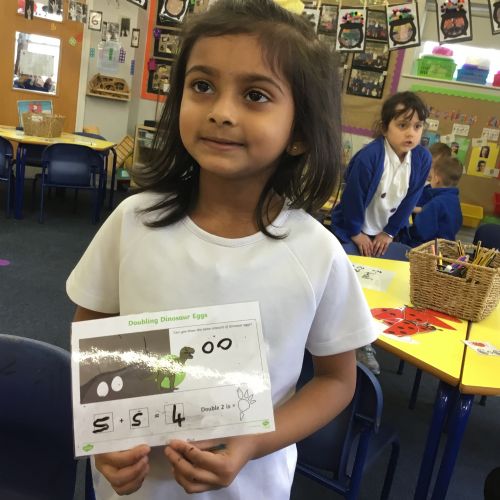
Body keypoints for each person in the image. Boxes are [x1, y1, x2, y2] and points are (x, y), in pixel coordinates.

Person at [66, 1, 377, 499]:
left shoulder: (316, 253)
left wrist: (252, 444)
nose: (221, 112)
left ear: (299, 132)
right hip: (135, 487)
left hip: (250, 487)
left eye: (255, 95)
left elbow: (337, 382)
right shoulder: (133, 221)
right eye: (202, 86)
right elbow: (91, 336)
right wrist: (104, 436)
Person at [330, 91, 431, 374]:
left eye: (417, 126)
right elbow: (352, 199)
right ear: (385, 127)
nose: (411, 133)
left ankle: (376, 329)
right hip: (352, 229)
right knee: (350, 283)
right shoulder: (370, 157)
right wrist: (356, 233)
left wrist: (388, 233)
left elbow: (411, 199)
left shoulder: (421, 158)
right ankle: (358, 341)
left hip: (382, 233)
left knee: (387, 282)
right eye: (402, 125)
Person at [400, 156, 463, 247]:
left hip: (429, 248)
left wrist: (404, 231)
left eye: (432, 177)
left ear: (437, 179)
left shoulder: (436, 203)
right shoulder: (453, 199)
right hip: (446, 245)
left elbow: (420, 232)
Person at [413, 142, 452, 213]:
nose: (430, 170)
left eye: (435, 167)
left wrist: (411, 209)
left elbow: (434, 210)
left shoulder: (439, 188)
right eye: (429, 163)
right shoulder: (417, 178)